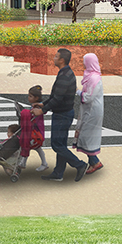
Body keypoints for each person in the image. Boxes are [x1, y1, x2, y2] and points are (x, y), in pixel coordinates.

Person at [39, 48, 88, 182]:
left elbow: (57, 99)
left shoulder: (65, 76)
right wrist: (43, 104)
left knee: (56, 145)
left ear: (62, 60)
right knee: (61, 144)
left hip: (62, 115)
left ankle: (80, 165)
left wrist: (42, 110)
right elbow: (55, 96)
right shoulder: (65, 73)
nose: (53, 58)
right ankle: (58, 173)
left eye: (56, 56)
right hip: (64, 113)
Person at [74, 53, 104, 175]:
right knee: (85, 136)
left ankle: (95, 162)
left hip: (92, 111)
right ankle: (94, 161)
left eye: (84, 61)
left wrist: (77, 91)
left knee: (86, 137)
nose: (83, 63)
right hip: (88, 110)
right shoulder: (90, 76)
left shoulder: (94, 78)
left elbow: (89, 97)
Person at [28, 84, 49, 172]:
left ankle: (44, 163)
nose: (28, 97)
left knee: (31, 146)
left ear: (36, 98)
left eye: (30, 96)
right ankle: (22, 162)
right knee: (30, 146)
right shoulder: (35, 106)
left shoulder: (36, 107)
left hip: (37, 132)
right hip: (35, 131)